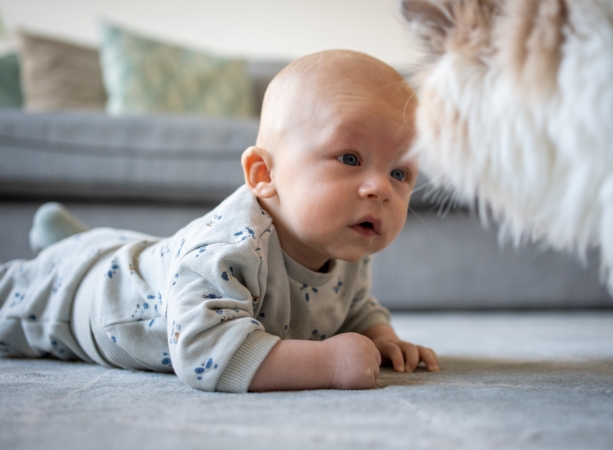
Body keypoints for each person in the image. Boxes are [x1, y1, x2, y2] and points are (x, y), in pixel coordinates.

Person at [0, 49, 439, 392]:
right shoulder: (229, 246)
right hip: (97, 296)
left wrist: (379, 335)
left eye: (400, 172)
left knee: (125, 251)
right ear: (265, 176)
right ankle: (68, 252)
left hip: (152, 258)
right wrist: (329, 364)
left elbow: (351, 305)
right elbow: (201, 347)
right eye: (350, 158)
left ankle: (75, 240)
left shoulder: (347, 241)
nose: (381, 188)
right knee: (31, 293)